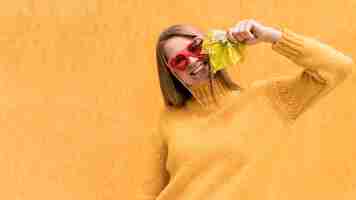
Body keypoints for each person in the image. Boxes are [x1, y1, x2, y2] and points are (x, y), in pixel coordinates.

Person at [136, 19, 355, 200]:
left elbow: (338, 66)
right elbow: (147, 193)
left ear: (212, 44)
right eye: (179, 61)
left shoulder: (269, 99)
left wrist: (271, 36)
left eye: (196, 47)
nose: (192, 60)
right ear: (172, 73)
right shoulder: (168, 121)